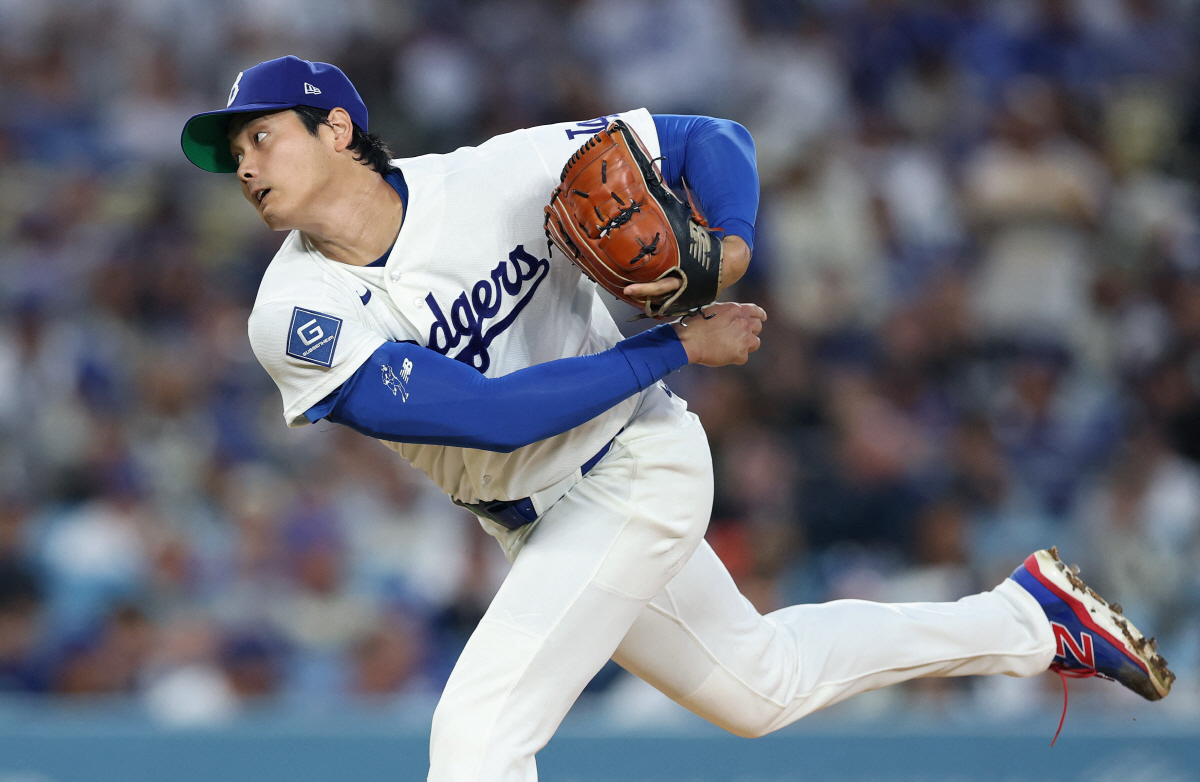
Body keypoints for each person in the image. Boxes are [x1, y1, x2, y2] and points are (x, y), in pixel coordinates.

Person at [181, 57, 1172, 781]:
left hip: (634, 466)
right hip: (544, 506)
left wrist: (730, 248)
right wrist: (670, 342)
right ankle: (1030, 617)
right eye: (232, 152)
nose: (244, 164)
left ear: (338, 129)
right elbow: (480, 417)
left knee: (478, 736)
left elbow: (711, 139)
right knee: (761, 688)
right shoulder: (292, 314)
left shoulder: (493, 178)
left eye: (260, 135)